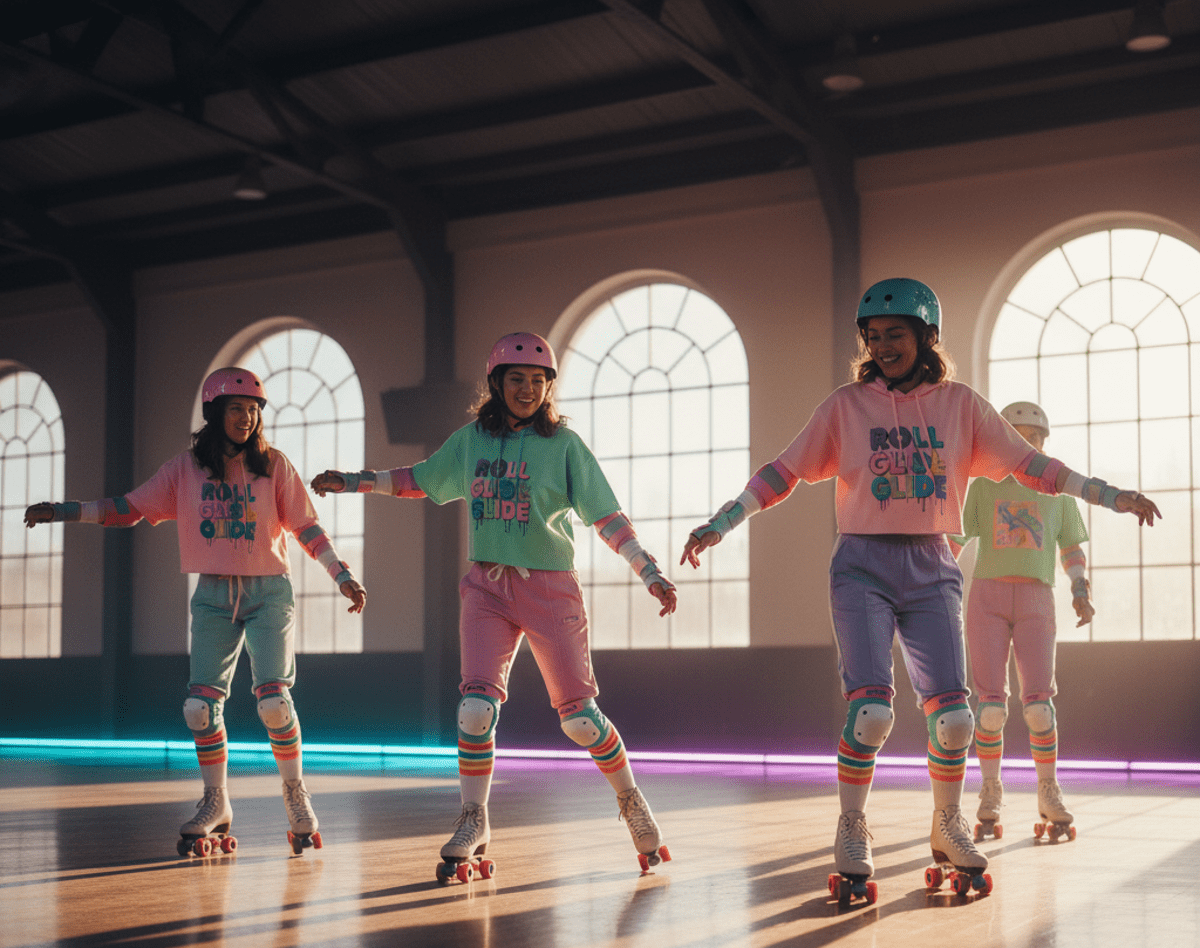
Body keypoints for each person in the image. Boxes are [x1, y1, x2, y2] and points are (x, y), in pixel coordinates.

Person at [680, 279, 1160, 899]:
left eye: (895, 335)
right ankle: (852, 826)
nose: (882, 346)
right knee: (873, 710)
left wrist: (1108, 494)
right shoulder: (846, 406)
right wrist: (723, 520)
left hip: (933, 566)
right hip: (862, 565)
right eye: (873, 338)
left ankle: (947, 822)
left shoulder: (961, 405)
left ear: (926, 337)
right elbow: (786, 470)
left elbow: (1033, 467)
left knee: (956, 720)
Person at [311, 332, 677, 881]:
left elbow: (605, 516)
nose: (527, 389)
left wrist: (647, 570)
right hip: (486, 587)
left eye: (537, 380)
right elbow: (420, 480)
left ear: (548, 387)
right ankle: (474, 818)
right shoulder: (470, 441)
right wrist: (356, 481)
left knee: (579, 721)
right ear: (496, 384)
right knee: (475, 710)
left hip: (550, 590)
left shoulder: (565, 446)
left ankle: (630, 801)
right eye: (516, 379)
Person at [24, 367, 366, 857]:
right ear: (214, 413)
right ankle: (215, 800)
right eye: (236, 409)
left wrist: (342, 575)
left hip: (269, 592)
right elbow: (129, 508)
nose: (246, 418)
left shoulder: (275, 467)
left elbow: (307, 528)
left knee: (273, 701)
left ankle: (295, 793)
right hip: (211, 594)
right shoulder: (185, 470)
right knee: (199, 708)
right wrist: (64, 511)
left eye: (253, 410)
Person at [951, 400, 1094, 842]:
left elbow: (1070, 545)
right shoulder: (983, 485)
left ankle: (1048, 789)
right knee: (990, 709)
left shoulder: (1057, 487)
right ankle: (990, 789)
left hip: (1036, 599)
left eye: (1033, 438)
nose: (1025, 444)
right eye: (1016, 437)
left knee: (1037, 706)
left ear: (1043, 442)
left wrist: (1080, 590)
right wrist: (929, 586)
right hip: (988, 598)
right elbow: (955, 539)